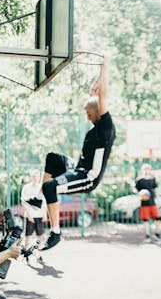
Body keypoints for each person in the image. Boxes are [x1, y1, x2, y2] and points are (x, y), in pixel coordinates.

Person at [25, 55, 116, 251]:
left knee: (50, 187)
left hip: (87, 177)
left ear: (98, 112)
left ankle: (56, 233)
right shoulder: (95, 125)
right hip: (77, 167)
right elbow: (96, 92)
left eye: (89, 113)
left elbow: (103, 95)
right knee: (52, 157)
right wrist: (99, 72)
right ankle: (39, 199)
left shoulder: (106, 127)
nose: (87, 114)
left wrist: (106, 64)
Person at [21, 169, 47, 263]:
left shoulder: (41, 188)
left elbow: (45, 203)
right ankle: (26, 255)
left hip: (39, 216)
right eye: (33, 176)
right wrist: (29, 214)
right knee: (28, 237)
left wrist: (45, 214)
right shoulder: (26, 188)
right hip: (30, 216)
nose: (35, 177)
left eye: (37, 176)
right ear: (31, 177)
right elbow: (23, 202)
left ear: (39, 177)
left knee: (40, 238)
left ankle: (38, 255)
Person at [135, 163, 161, 244]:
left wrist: (158, 201)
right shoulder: (139, 180)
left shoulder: (152, 179)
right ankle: (147, 236)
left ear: (150, 170)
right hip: (144, 204)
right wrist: (141, 195)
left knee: (158, 219)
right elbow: (137, 191)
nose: (147, 170)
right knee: (146, 220)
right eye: (145, 169)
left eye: (148, 169)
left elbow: (156, 190)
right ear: (142, 170)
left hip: (153, 203)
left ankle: (157, 235)